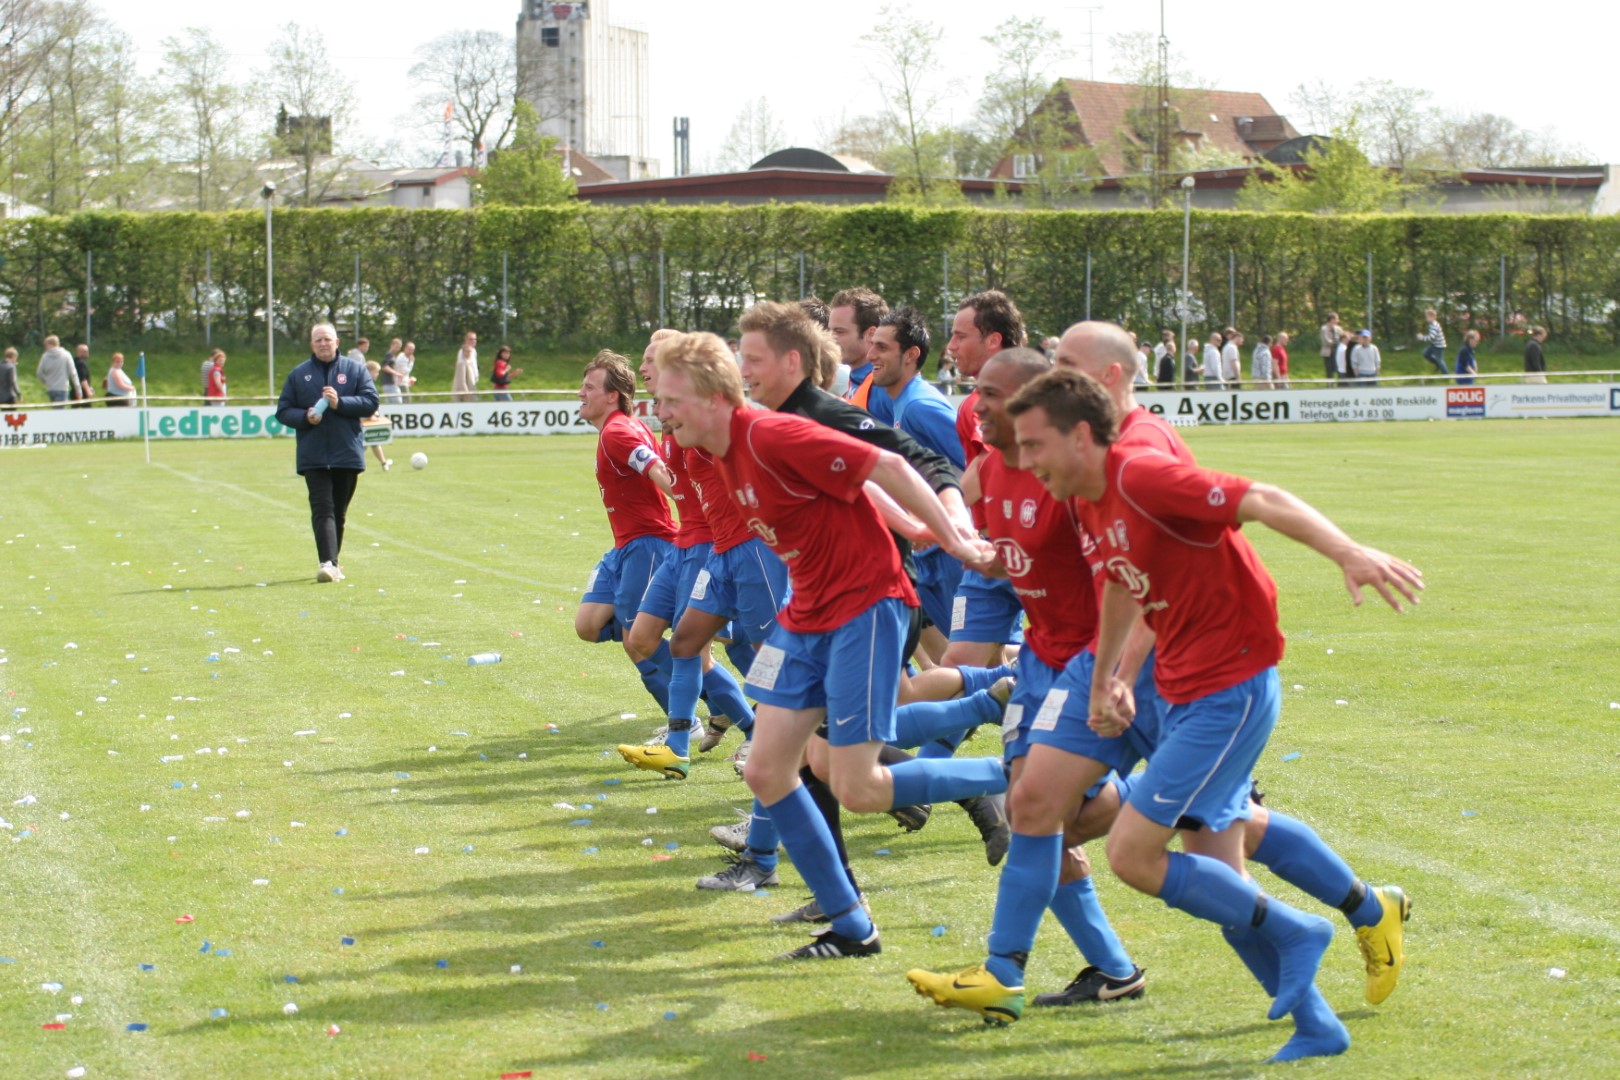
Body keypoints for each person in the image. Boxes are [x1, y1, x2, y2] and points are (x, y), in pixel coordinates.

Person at [1006, 366, 1422, 1063]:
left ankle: (1298, 929)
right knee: (1216, 874)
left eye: (1033, 443)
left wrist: (1347, 551)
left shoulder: (1140, 474)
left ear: (1080, 435)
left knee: (1132, 854)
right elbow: (1121, 584)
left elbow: (1260, 498)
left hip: (1229, 690)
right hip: (1185, 687)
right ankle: (1317, 1025)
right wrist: (1109, 677)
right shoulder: (1089, 500)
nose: (1025, 461)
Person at [654, 326, 1000, 961]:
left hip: (865, 604)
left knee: (857, 786)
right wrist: (911, 524)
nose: (661, 411)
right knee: (766, 768)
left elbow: (887, 464)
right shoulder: (723, 451)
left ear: (712, 397)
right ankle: (851, 926)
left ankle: (1015, 780)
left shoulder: (772, 433)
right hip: (807, 613)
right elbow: (854, 488)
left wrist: (952, 538)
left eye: (672, 399)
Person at [907, 340, 1145, 1025]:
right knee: (1034, 815)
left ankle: (1004, 971)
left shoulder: (1073, 478)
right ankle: (1112, 970)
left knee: (1037, 813)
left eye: (990, 394)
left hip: (1084, 664)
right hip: (1039, 661)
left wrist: (1114, 675)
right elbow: (956, 526)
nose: (974, 405)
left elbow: (1126, 584)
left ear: (1032, 403)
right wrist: (967, 548)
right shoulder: (988, 465)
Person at [573, 350, 679, 717]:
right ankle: (666, 619)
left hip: (649, 543)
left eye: (589, 387)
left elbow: (658, 469)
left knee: (637, 640)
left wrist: (691, 499)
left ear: (612, 396)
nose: (581, 393)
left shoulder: (618, 431)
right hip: (625, 547)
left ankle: (702, 705)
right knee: (589, 625)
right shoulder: (621, 427)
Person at [274, 324, 381, 583]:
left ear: (337, 342)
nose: (323, 343)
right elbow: (283, 411)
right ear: (312, 344)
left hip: (347, 452)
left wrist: (339, 403)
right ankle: (327, 563)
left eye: (327, 339)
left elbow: (371, 402)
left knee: (338, 512)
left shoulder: (355, 370)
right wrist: (305, 417)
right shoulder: (299, 374)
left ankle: (334, 562)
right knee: (323, 508)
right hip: (313, 454)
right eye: (318, 340)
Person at [828, 286, 888, 408]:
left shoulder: (885, 388)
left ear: (871, 334)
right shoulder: (857, 378)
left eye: (839, 332)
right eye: (830, 331)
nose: (830, 338)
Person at [362, 360, 393, 470]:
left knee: (374, 441)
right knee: (364, 443)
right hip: (364, 419)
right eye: (376, 372)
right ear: (370, 371)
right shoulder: (364, 383)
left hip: (367, 418)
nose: (377, 374)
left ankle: (384, 463)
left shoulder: (367, 382)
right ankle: (355, 466)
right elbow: (365, 400)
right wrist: (370, 414)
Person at [36, 335, 75, 405]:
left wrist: (46, 381)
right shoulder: (66, 355)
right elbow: (73, 373)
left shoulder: (45, 356)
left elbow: (39, 373)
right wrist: (78, 389)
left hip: (51, 389)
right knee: (61, 410)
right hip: (62, 387)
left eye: (46, 345)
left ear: (50, 344)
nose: (45, 348)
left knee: (55, 409)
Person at [1417, 309, 1448, 376]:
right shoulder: (1431, 324)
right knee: (1426, 354)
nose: (1426, 319)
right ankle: (1438, 364)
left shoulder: (1434, 325)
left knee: (1440, 360)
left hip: (1439, 346)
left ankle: (1446, 375)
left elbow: (1431, 337)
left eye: (1427, 317)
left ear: (1432, 317)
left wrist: (1421, 337)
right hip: (1434, 344)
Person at [451, 331, 479, 401]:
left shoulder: (473, 351)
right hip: (465, 386)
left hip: (472, 383)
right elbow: (461, 372)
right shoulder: (462, 351)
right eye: (471, 339)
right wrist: (465, 391)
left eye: (475, 339)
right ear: (466, 340)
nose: (473, 341)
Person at [378, 338, 404, 404]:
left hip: (390, 383)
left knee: (390, 404)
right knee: (398, 403)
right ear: (391, 345)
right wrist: (397, 374)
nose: (398, 349)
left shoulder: (393, 355)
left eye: (399, 347)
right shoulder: (389, 354)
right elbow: (384, 366)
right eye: (396, 346)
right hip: (389, 383)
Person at [1319, 312, 1340, 381]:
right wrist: (1335, 343)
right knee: (1329, 371)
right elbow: (1326, 341)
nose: (1338, 320)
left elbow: (1342, 336)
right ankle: (1330, 384)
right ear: (1332, 319)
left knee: (1337, 369)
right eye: (1337, 319)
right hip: (1328, 353)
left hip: (1337, 351)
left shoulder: (1338, 328)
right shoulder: (1324, 329)